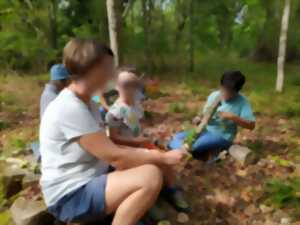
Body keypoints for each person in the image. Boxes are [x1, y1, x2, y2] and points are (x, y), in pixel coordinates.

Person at [39, 38, 184, 225]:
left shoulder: (88, 103)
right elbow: (115, 157)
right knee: (150, 176)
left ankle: (141, 207)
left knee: (149, 161)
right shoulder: (69, 107)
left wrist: (151, 153)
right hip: (70, 195)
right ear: (93, 69)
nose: (112, 76)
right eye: (109, 69)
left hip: (91, 176)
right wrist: (163, 157)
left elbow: (109, 147)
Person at [106, 69, 190, 213]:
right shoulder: (114, 113)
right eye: (125, 84)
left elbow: (140, 125)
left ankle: (171, 190)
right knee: (152, 165)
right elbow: (113, 138)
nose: (130, 88)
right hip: (127, 150)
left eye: (133, 84)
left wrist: (153, 132)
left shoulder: (136, 104)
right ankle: (147, 202)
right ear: (117, 86)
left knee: (165, 160)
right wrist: (136, 141)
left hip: (142, 143)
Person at [169, 70, 256, 158]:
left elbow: (251, 125)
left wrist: (232, 117)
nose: (226, 94)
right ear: (221, 86)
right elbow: (204, 114)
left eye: (230, 92)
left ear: (237, 91)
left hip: (222, 136)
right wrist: (198, 118)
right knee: (177, 137)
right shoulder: (214, 95)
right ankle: (186, 151)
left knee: (194, 146)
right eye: (224, 89)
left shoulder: (242, 102)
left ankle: (188, 151)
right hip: (203, 131)